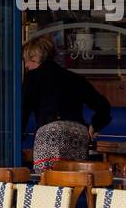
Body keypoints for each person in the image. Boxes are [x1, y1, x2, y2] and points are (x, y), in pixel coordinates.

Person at [20, 35, 111, 174]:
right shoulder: (74, 78)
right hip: (78, 133)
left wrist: (18, 134)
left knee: (48, 181)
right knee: (74, 181)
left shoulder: (32, 77)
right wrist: (95, 125)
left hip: (50, 133)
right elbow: (103, 106)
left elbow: (23, 109)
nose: (26, 65)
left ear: (35, 57)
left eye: (26, 60)